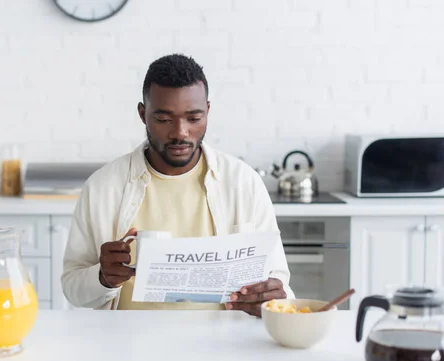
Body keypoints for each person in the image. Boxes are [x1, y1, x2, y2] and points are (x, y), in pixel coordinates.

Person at [61, 53, 295, 316]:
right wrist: (102, 278)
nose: (180, 132)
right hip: (128, 344)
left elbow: (280, 284)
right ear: (142, 114)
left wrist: (269, 298)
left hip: (223, 344)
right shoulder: (102, 187)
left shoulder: (244, 182)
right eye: (163, 119)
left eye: (193, 119)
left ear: (207, 111)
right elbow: (72, 287)